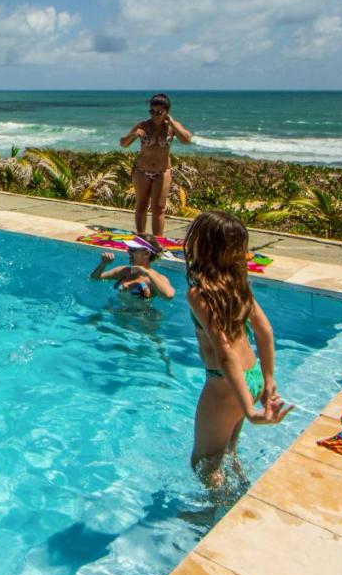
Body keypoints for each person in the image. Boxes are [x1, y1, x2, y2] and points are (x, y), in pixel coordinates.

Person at [184, 210, 293, 487]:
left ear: (202, 246)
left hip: (226, 387)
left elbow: (225, 353)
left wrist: (251, 411)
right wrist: (268, 381)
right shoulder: (238, 286)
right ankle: (240, 495)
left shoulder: (199, 294)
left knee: (204, 464)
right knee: (227, 452)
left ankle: (207, 521)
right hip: (253, 377)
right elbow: (265, 331)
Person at [119, 93, 193, 238]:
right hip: (141, 170)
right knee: (141, 204)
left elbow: (187, 139)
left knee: (159, 208)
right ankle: (141, 237)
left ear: (166, 112)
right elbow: (123, 143)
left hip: (162, 171)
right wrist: (134, 135)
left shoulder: (171, 127)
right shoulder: (144, 125)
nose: (155, 115)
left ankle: (158, 241)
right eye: (152, 111)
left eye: (159, 112)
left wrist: (172, 123)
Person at [88, 235, 176, 300]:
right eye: (129, 249)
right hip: (117, 314)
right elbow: (93, 278)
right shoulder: (123, 271)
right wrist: (103, 264)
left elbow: (169, 296)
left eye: (133, 250)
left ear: (146, 254)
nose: (128, 252)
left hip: (140, 320)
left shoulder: (156, 279)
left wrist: (147, 273)